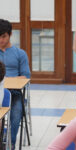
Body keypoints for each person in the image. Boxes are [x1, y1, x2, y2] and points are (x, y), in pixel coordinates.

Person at [0, 19, 30, 150]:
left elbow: (26, 76)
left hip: (15, 93)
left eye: (3, 36)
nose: (0, 40)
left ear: (10, 34)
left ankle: (10, 144)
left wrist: (8, 79)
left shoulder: (20, 54)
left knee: (16, 112)